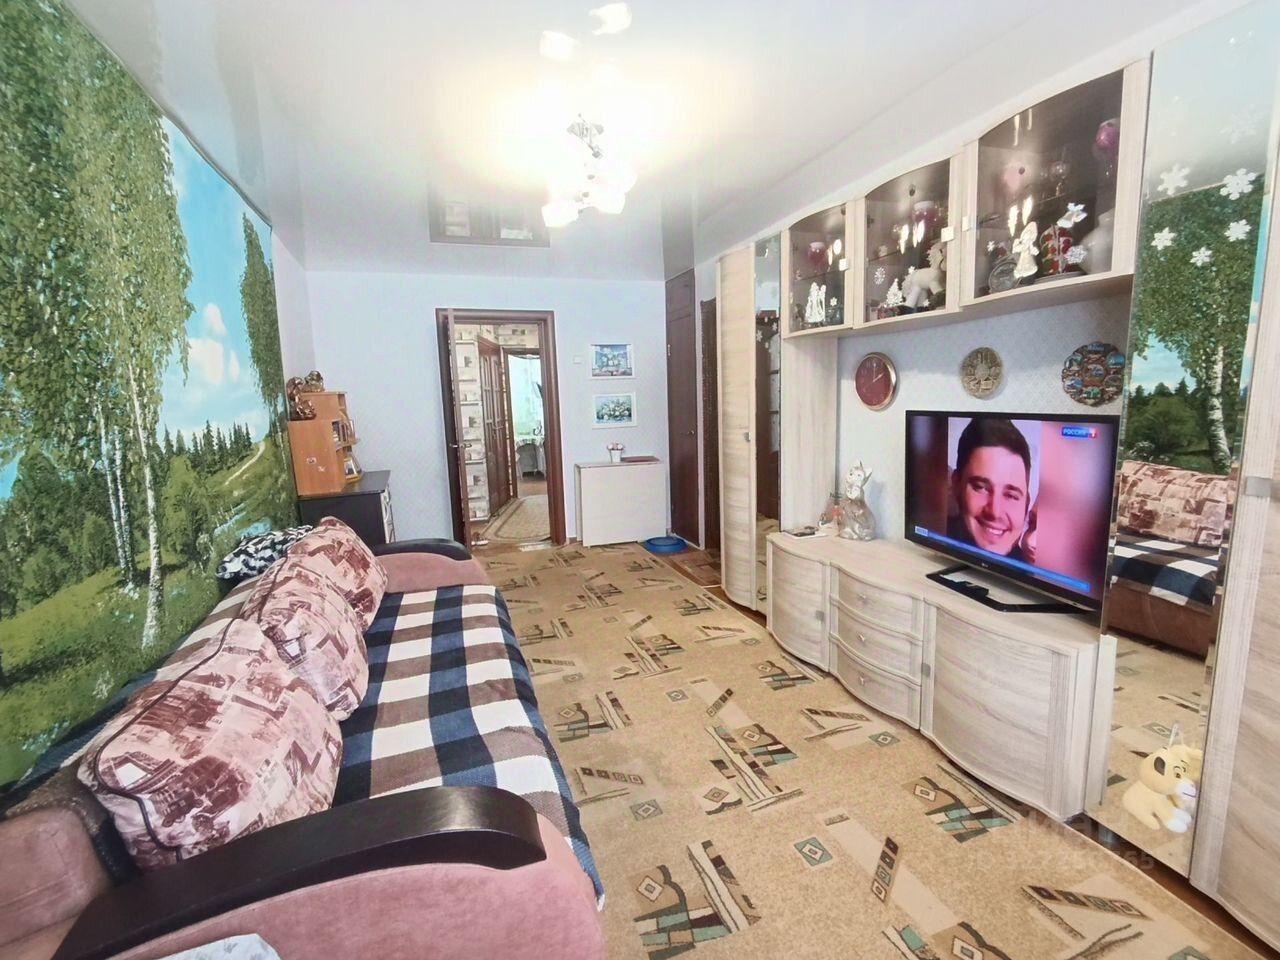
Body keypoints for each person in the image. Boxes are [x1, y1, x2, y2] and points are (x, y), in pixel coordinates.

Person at [946, 417, 1032, 560]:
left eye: (1011, 495)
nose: (995, 512)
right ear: (956, 484)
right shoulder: (936, 534)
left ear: (1026, 503)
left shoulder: (1035, 570)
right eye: (981, 488)